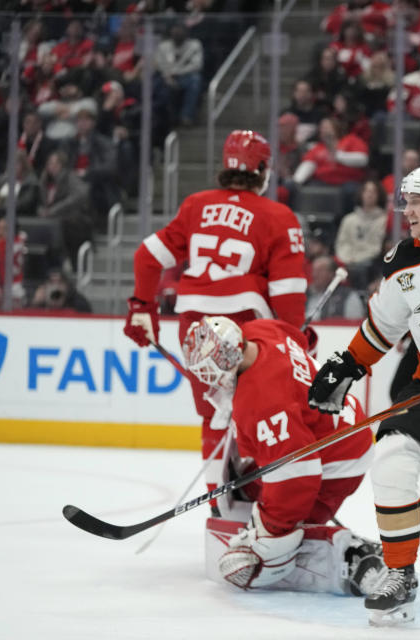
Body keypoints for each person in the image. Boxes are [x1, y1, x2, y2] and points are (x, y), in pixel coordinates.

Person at [308, 164, 420, 625]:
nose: (406, 210)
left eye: (415, 201)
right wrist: (347, 364)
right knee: (390, 458)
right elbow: (383, 325)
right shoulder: (402, 260)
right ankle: (401, 572)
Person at [123, 130, 307, 513]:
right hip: (248, 326)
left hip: (197, 327)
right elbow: (288, 291)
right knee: (258, 409)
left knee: (213, 414)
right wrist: (295, 340)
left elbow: (146, 256)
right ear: (262, 169)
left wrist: (143, 307)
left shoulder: (196, 205)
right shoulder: (278, 215)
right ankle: (263, 498)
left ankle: (218, 502)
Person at [180, 316, 384, 595]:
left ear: (226, 360)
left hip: (338, 460)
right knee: (253, 484)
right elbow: (302, 341)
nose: (208, 381)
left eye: (208, 371)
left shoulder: (260, 403)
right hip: (337, 427)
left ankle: (352, 556)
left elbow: (298, 479)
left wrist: (272, 532)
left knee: (256, 558)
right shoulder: (260, 330)